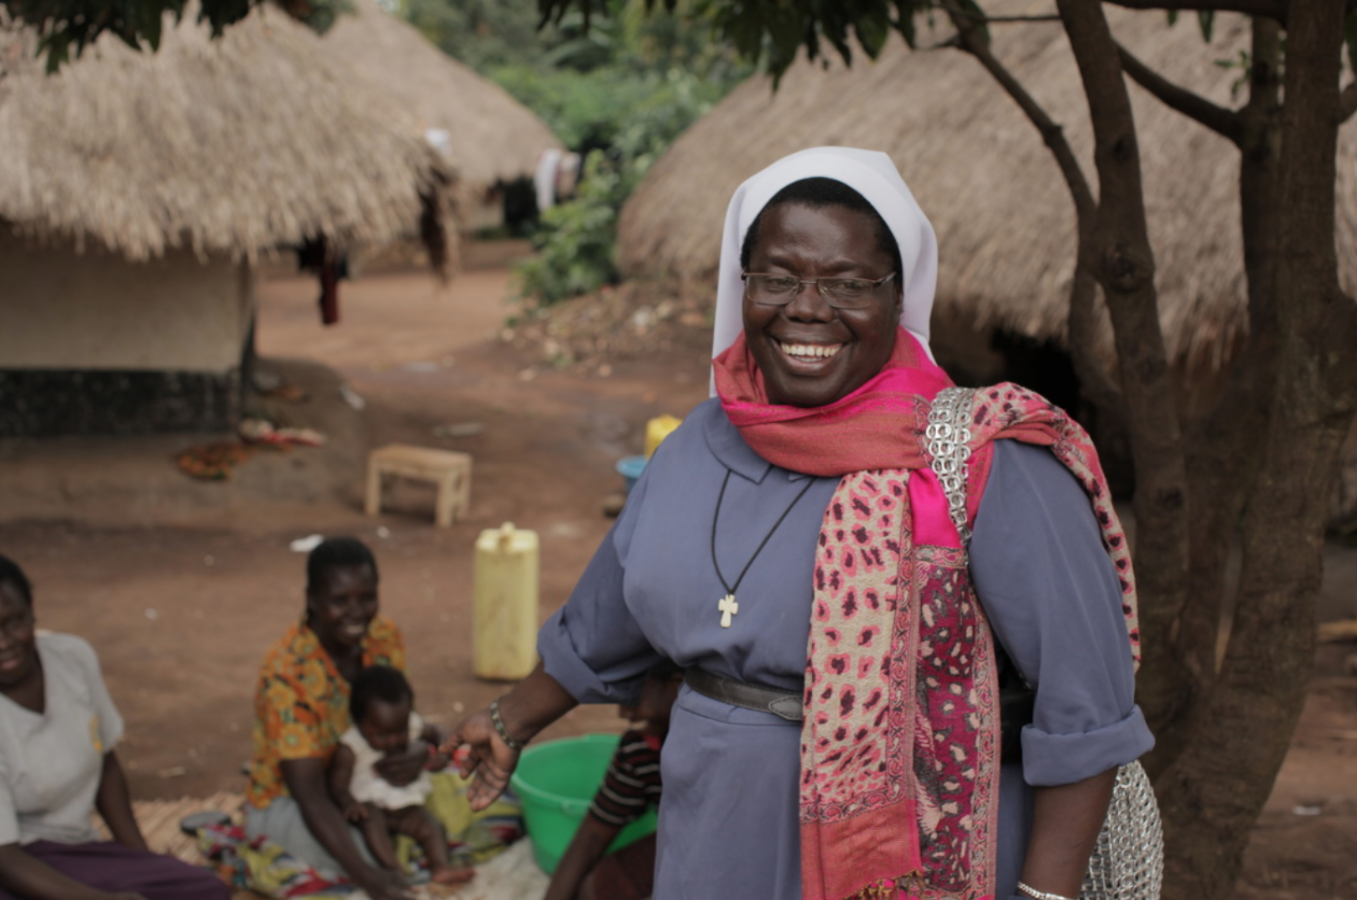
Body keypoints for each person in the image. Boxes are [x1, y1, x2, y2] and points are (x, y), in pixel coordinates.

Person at [449, 147, 1154, 900]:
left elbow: (1086, 709)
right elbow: (609, 616)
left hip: (919, 857)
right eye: (777, 277)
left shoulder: (984, 461)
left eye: (847, 283)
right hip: (713, 837)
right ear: (741, 284)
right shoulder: (695, 448)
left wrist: (1046, 895)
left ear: (896, 293)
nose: (807, 308)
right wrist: (509, 718)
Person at [245, 536, 471, 900]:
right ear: (312, 599)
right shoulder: (286, 673)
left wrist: (415, 751)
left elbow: (400, 718)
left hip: (372, 783)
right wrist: (370, 877)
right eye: (339, 600)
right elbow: (310, 795)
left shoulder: (383, 637)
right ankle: (387, 867)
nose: (356, 613)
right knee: (370, 853)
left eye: (367, 598)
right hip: (297, 799)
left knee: (467, 802)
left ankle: (402, 859)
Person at [0, 553, 229, 900]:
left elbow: (106, 762)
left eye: (13, 622)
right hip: (13, 862)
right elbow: (5, 857)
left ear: (33, 611)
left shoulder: (73, 659)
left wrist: (142, 860)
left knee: (204, 890)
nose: (4, 642)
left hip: (75, 851)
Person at [543, 660, 682, 900]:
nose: (623, 712)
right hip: (681, 844)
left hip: (743, 853)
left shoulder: (720, 753)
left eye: (632, 696)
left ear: (676, 687)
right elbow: (591, 839)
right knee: (596, 889)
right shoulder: (641, 750)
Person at [327, 665, 467, 886]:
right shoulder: (351, 747)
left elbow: (438, 731)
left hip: (407, 806)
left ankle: (442, 867)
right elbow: (336, 784)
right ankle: (394, 872)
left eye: (400, 731)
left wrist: (443, 752)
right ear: (360, 724)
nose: (393, 740)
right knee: (371, 824)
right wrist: (348, 803)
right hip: (373, 809)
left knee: (431, 826)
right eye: (382, 734)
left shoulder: (410, 723)